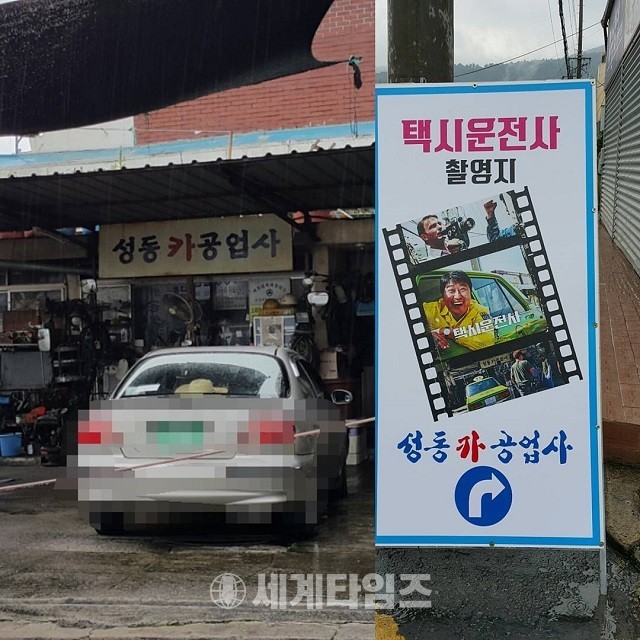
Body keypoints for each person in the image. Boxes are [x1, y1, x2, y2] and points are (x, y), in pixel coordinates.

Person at [422, 271, 495, 351]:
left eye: (463, 289)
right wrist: (429, 336)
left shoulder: (479, 311)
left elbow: (487, 343)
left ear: (470, 293)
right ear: (443, 295)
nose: (457, 296)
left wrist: (450, 333)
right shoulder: (429, 310)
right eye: (451, 291)